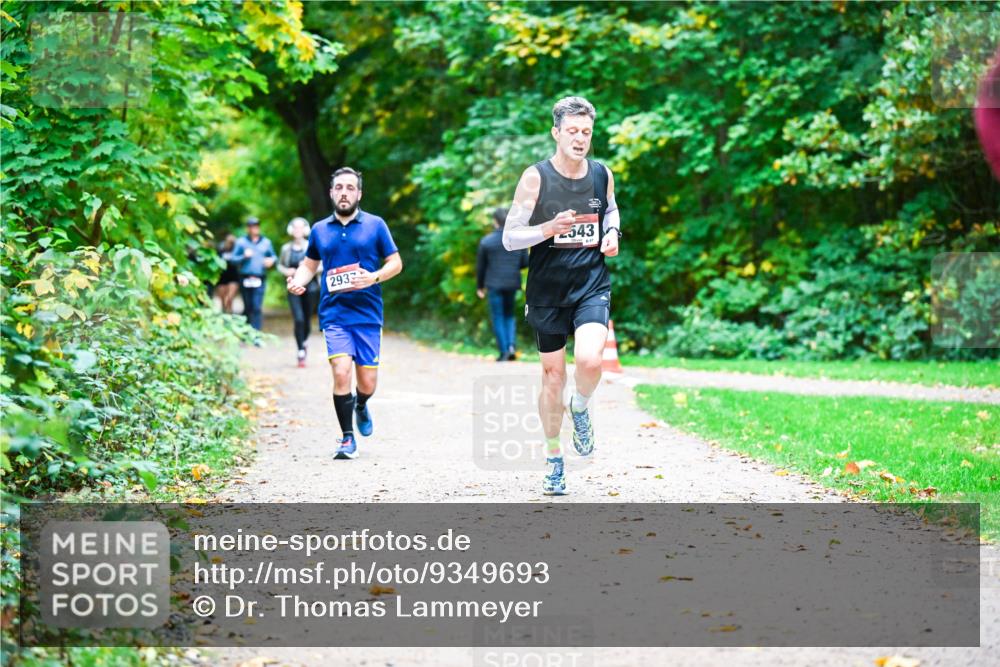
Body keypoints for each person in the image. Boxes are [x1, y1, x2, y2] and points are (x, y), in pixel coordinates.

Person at [502, 96, 621, 496]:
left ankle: (582, 407)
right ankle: (554, 457)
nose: (580, 138)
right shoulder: (535, 178)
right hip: (546, 291)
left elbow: (612, 210)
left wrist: (612, 233)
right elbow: (509, 236)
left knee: (589, 359)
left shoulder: (602, 174)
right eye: (572, 131)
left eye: (586, 132)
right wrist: (547, 229)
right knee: (553, 376)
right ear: (556, 132)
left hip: (590, 284)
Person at [287, 167, 403, 460]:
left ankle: (362, 405)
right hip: (334, 313)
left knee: (367, 383)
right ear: (331, 192)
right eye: (339, 187)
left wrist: (374, 277)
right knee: (341, 372)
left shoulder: (375, 225)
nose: (344, 192)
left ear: (359, 194)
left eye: (350, 188)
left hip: (367, 313)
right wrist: (297, 282)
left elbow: (396, 262)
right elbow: (310, 265)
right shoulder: (319, 229)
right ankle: (347, 438)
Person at [477, 206, 528, 361]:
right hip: (512, 283)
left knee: (498, 316)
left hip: (494, 284)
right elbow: (525, 262)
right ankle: (511, 346)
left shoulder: (486, 242)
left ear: (495, 222)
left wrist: (480, 287)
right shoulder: (518, 241)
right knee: (509, 315)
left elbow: (481, 267)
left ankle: (504, 351)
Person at [278, 217, 320, 367]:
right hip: (293, 288)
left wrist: (308, 267)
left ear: (305, 230)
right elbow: (280, 266)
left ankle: (305, 340)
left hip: (312, 288)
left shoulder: (311, 246)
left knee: (307, 319)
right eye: (295, 227)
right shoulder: (285, 249)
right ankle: (300, 350)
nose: (297, 230)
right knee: (299, 319)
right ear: (291, 230)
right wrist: (287, 271)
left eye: (300, 227)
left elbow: (321, 266)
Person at [229, 217, 276, 338]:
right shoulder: (241, 242)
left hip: (260, 278)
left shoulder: (266, 242)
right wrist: (243, 256)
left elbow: (274, 257)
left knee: (257, 306)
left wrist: (271, 260)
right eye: (251, 226)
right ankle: (247, 333)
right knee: (248, 306)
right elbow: (233, 259)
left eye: (255, 226)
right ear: (247, 228)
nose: (253, 228)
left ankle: (256, 335)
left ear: (258, 227)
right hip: (245, 277)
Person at [215, 234, 240, 314]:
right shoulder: (220, 249)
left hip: (233, 277)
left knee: (229, 298)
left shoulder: (237, 250)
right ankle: (225, 313)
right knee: (222, 299)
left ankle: (230, 313)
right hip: (222, 277)